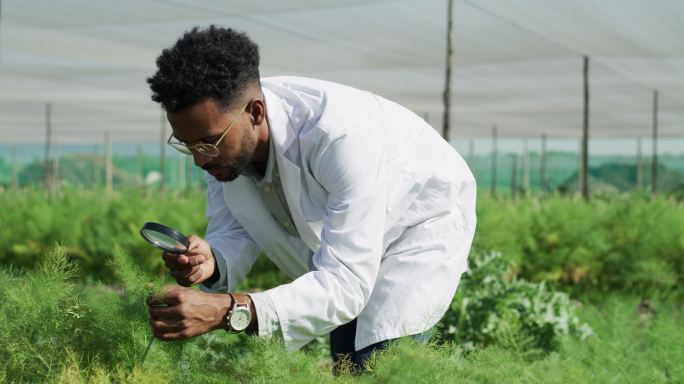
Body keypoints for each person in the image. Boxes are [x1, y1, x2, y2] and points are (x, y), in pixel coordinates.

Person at [146, 25, 476, 372]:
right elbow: (237, 228)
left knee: (379, 364)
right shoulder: (223, 147)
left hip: (418, 222)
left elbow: (345, 283)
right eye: (189, 146)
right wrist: (212, 260)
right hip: (352, 243)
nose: (200, 159)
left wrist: (230, 311)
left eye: (208, 143)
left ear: (255, 113)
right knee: (346, 363)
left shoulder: (336, 135)